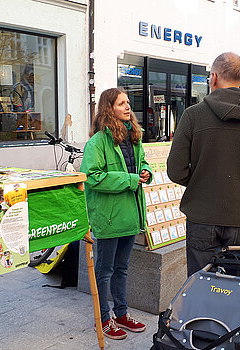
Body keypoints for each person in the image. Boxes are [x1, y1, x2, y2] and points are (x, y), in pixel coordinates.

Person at [167, 52, 240, 277]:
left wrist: (201, 181)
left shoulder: (193, 115)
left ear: (214, 77)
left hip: (202, 218)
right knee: (236, 290)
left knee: (200, 287)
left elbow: (175, 169)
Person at [80, 88, 153, 340]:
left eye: (128, 103)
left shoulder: (134, 137)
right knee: (105, 271)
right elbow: (93, 177)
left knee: (122, 269)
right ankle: (103, 320)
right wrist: (132, 179)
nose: (127, 107)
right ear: (108, 108)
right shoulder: (97, 142)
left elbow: (142, 162)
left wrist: (145, 172)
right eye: (121, 103)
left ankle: (121, 314)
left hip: (131, 214)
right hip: (109, 217)